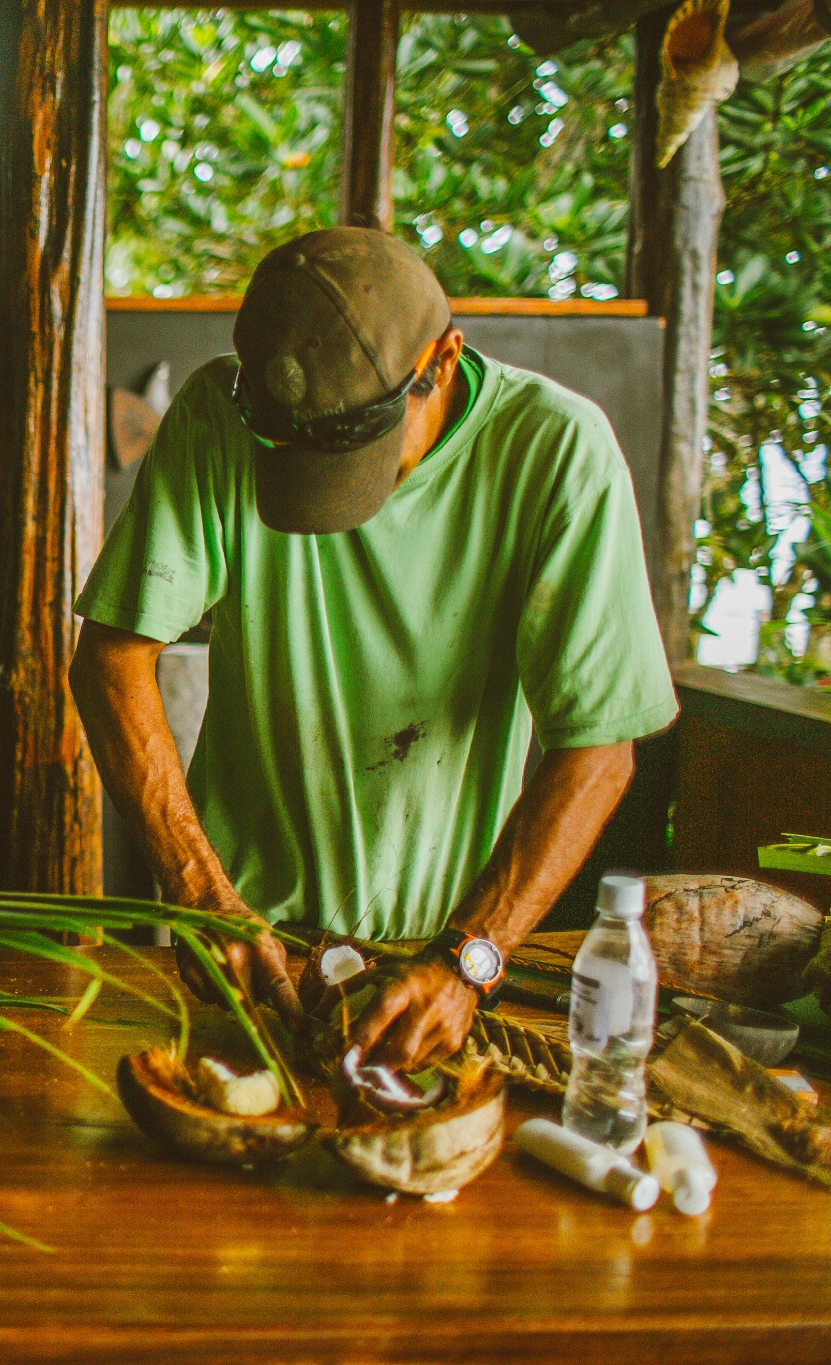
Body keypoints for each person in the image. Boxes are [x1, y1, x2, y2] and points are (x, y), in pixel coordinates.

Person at [71, 227, 678, 1071]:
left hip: (440, 953)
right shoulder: (220, 415)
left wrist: (470, 960)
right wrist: (199, 891)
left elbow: (600, 750)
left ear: (443, 357)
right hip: (247, 950)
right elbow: (111, 656)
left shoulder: (558, 456)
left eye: (360, 453)